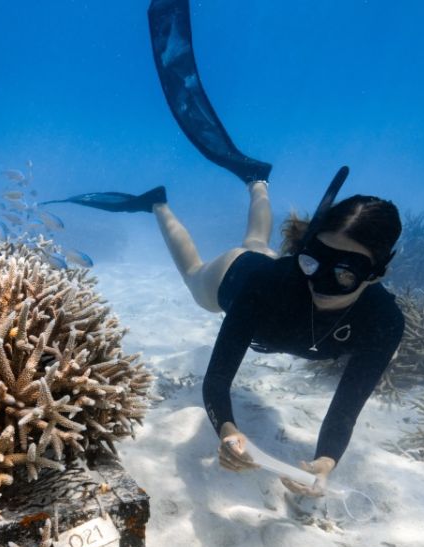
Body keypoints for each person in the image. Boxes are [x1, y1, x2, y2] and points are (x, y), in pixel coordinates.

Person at [46, 170, 404, 496]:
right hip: (236, 274)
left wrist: (326, 462)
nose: (321, 283)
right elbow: (217, 379)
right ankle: (157, 204)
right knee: (197, 275)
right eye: (312, 262)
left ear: (377, 272)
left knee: (258, 243)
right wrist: (228, 431)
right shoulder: (265, 285)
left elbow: (345, 410)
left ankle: (257, 181)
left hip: (271, 267)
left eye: (343, 274)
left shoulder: (382, 322)